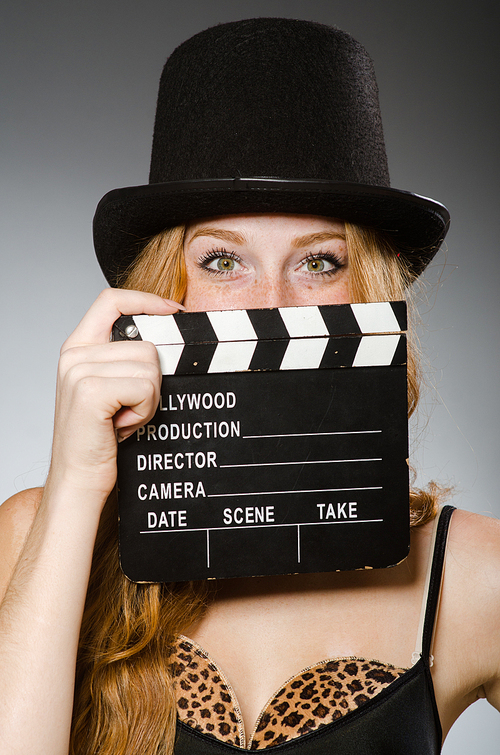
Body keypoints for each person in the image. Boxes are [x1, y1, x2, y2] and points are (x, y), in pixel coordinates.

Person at [0, 18, 499, 755]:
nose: (271, 301)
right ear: (162, 290)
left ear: (370, 291)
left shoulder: (469, 576)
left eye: (320, 262)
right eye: (223, 261)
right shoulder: (34, 539)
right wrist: (77, 486)